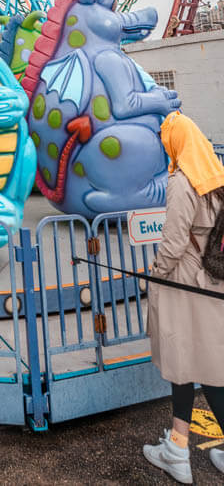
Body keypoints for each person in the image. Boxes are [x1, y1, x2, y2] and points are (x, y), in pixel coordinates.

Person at [143, 112, 224, 483]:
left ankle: (177, 450)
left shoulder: (182, 181)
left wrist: (154, 274)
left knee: (185, 366)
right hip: (211, 283)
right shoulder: (216, 176)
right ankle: (176, 447)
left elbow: (174, 242)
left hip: (184, 286)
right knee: (208, 369)